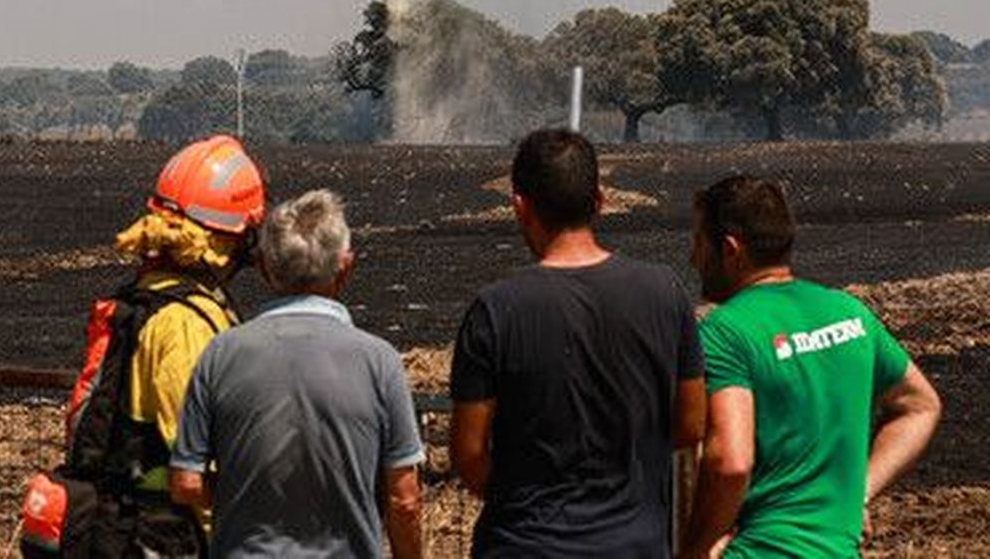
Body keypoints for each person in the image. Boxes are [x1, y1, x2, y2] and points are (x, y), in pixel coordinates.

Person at [449, 128, 706, 558]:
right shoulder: (664, 292)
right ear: (600, 200)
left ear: (519, 206)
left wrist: (518, 500)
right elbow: (691, 424)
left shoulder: (494, 310)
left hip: (523, 543)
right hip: (634, 544)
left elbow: (469, 453)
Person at [681, 176, 941, 559]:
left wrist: (695, 550)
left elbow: (731, 464)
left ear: (730, 249)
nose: (692, 258)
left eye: (699, 243)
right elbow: (921, 405)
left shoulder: (726, 332)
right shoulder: (850, 314)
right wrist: (858, 494)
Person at [170, 189, 425, 559]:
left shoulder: (220, 355)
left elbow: (185, 483)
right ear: (345, 266)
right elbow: (404, 500)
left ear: (263, 268)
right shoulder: (379, 362)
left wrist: (240, 494)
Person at [69, 134, 266, 557]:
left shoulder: (141, 298)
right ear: (235, 239)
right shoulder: (183, 323)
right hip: (167, 536)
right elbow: (193, 458)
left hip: (123, 528)